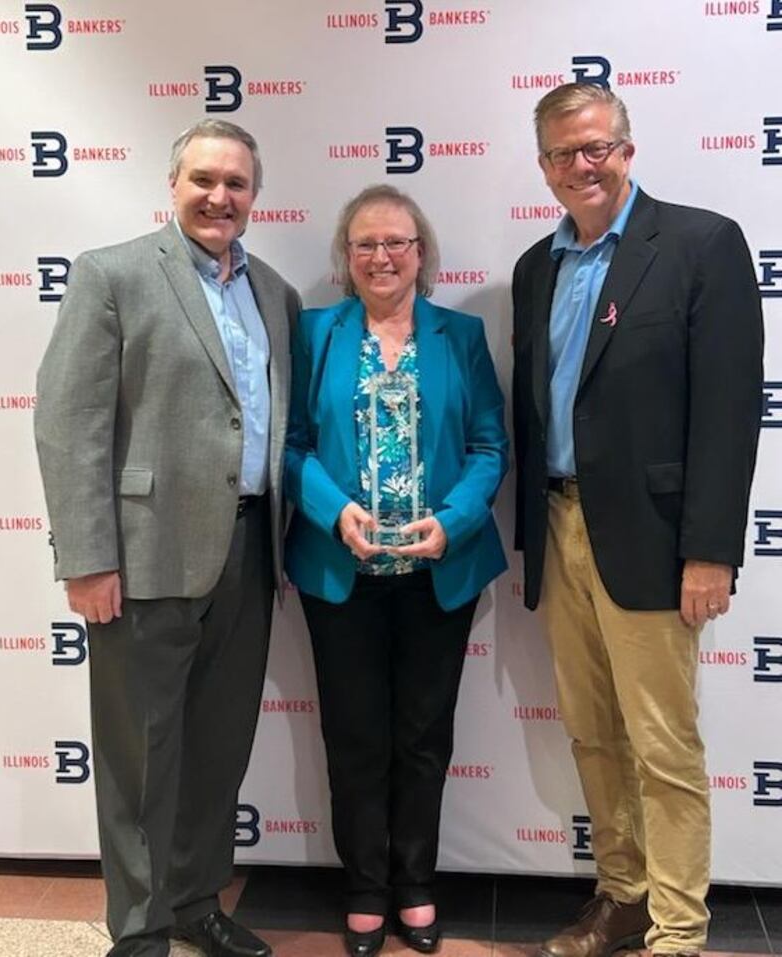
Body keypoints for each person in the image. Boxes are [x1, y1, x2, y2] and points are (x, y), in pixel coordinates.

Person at [34, 119, 299, 957]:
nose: (220, 197)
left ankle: (195, 901)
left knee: (218, 751)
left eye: (237, 184)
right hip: (142, 558)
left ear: (255, 196)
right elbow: (68, 421)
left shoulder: (278, 296)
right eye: (205, 180)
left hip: (252, 552)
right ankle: (141, 931)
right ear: (173, 184)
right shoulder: (112, 275)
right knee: (139, 758)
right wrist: (86, 557)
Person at [512, 82, 763, 957]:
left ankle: (678, 928)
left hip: (656, 544)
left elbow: (729, 413)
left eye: (597, 147)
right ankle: (621, 895)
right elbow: (536, 409)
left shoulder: (701, 245)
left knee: (662, 743)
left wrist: (710, 551)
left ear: (626, 146)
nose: (583, 165)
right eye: (562, 154)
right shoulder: (534, 267)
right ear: (543, 168)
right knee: (592, 732)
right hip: (559, 526)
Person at [285, 184, 508, 956]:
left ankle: (416, 882)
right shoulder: (314, 334)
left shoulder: (461, 335)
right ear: (347, 259)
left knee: (422, 736)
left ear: (422, 254)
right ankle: (364, 886)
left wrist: (452, 524)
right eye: (366, 243)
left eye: (398, 242)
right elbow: (291, 444)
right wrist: (329, 509)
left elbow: (489, 446)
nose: (382, 256)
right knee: (353, 737)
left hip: (435, 574)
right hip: (338, 573)